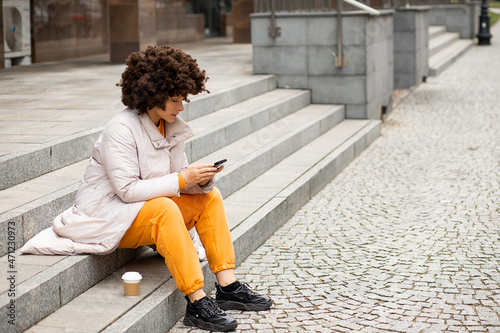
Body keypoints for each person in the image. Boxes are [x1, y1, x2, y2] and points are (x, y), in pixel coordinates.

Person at [20, 45, 272, 332]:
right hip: (107, 216)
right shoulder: (121, 129)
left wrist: (199, 180)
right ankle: (197, 302)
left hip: (145, 211)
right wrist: (182, 179)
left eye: (183, 99)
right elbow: (127, 190)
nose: (181, 107)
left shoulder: (171, 126)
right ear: (152, 96)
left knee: (210, 197)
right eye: (175, 99)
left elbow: (178, 177)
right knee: (164, 208)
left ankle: (228, 286)